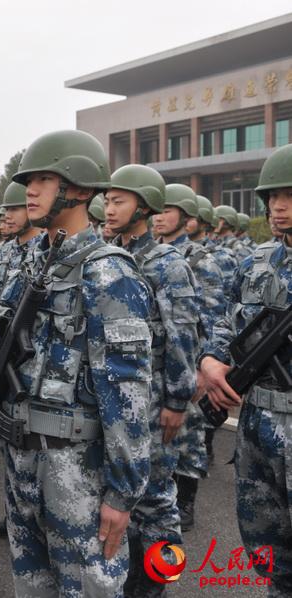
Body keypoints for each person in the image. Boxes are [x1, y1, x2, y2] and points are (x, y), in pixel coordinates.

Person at [0, 130, 152, 597]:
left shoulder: (109, 273)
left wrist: (122, 493)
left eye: (43, 179)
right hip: (21, 458)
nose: (30, 191)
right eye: (28, 181)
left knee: (88, 588)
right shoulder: (31, 264)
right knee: (30, 587)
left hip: (77, 468)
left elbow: (127, 393)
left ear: (79, 188)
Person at [198, 143, 292, 596]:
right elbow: (225, 319)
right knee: (270, 553)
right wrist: (211, 360)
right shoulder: (256, 261)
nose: (278, 206)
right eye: (273, 196)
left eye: (290, 195)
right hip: (258, 425)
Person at [104, 165, 200, 597]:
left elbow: (182, 337)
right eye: (107, 201)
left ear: (144, 207)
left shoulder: (167, 264)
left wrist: (177, 401)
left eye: (119, 201)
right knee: (119, 496)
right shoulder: (108, 258)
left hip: (155, 400)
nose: (109, 209)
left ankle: (159, 582)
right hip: (118, 401)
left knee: (157, 502)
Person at [153, 184, 227, 531]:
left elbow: (212, 319)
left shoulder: (202, 261)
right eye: (158, 210)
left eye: (168, 211)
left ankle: (185, 501)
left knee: (188, 433)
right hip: (158, 360)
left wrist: (202, 367)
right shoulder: (149, 254)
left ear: (185, 217)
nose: (160, 217)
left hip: (189, 359)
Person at [0, 182, 42, 301]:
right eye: (7, 209)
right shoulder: (2, 249)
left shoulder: (44, 252)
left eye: (14, 209)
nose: (7, 216)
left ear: (32, 208)